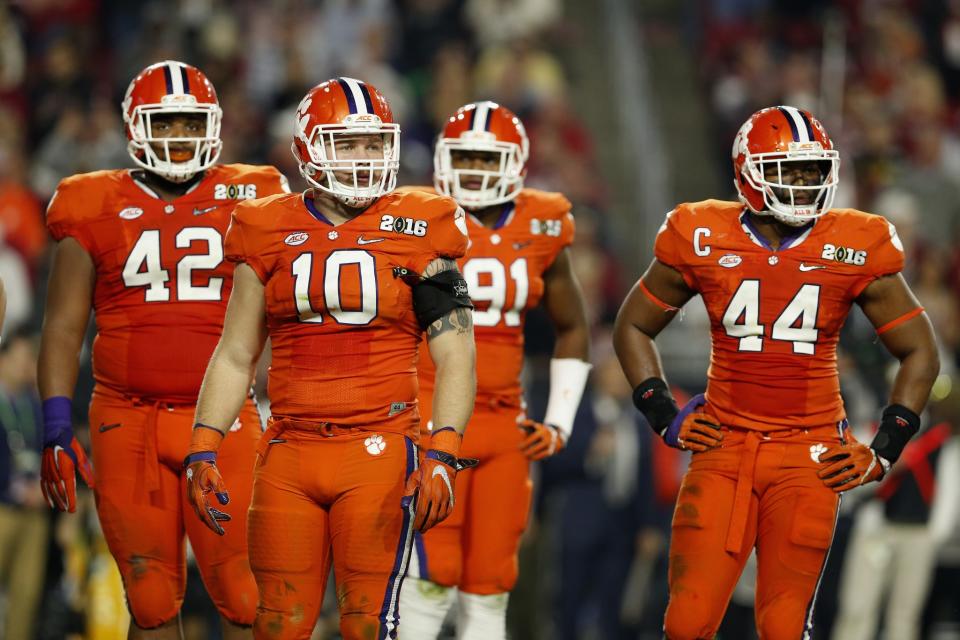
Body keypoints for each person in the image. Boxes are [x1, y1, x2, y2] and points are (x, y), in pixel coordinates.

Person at [613, 105, 940, 639]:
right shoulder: (701, 232)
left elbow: (920, 350)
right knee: (687, 623)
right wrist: (661, 411)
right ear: (748, 171)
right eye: (789, 170)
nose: (805, 184)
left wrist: (883, 449)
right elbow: (633, 325)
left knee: (784, 628)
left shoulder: (855, 241)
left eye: (813, 171)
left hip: (809, 454)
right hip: (723, 448)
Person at [183, 77, 477, 640]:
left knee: (368, 625)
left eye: (373, 144)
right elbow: (236, 353)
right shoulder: (264, 226)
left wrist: (443, 447)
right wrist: (203, 444)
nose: (364, 159)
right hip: (289, 451)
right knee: (276, 624)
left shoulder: (421, 223)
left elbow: (456, 350)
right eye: (347, 143)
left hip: (381, 450)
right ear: (306, 148)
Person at [38, 60, 289, 639]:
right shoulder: (90, 201)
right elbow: (61, 326)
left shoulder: (254, 193)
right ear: (135, 127)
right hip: (128, 418)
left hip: (222, 418)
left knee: (245, 592)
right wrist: (55, 421)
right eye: (166, 123)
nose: (179, 137)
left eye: (189, 123)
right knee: (150, 598)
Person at [398, 101, 591, 640]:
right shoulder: (415, 218)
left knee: (490, 587)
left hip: (506, 425)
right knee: (430, 577)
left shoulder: (543, 221)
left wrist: (560, 419)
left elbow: (574, 327)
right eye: (466, 158)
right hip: (432, 420)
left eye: (488, 159)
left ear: (516, 163)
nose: (476, 172)